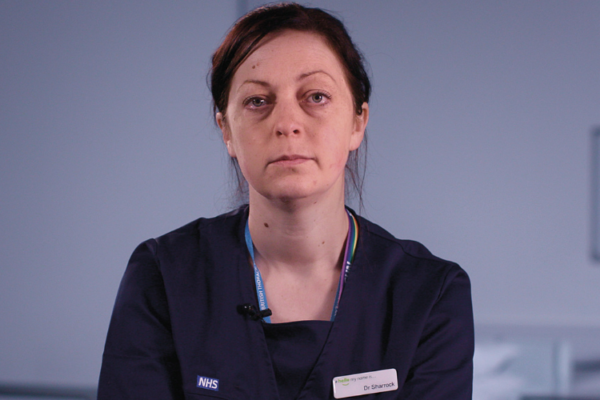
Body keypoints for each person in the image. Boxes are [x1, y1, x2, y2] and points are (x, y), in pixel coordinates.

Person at [98, 3, 474, 399]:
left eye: (315, 96)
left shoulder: (429, 295)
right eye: (258, 101)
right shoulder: (164, 278)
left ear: (357, 122)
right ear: (226, 128)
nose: (287, 123)